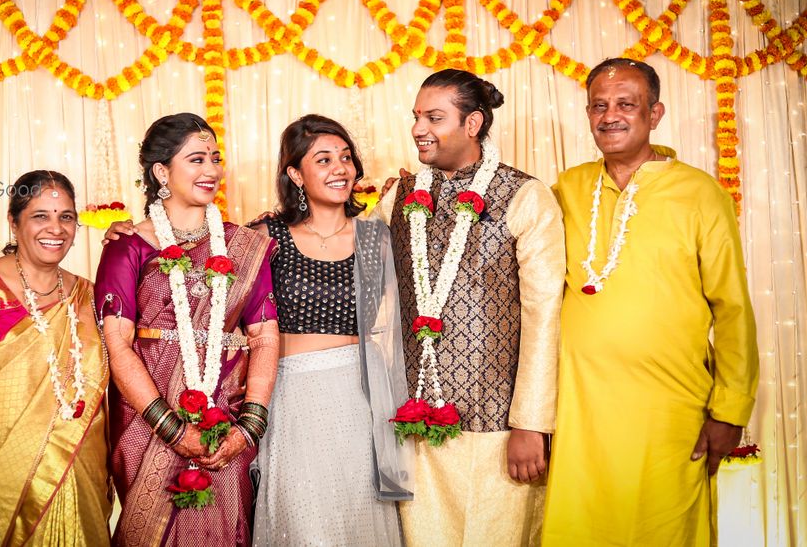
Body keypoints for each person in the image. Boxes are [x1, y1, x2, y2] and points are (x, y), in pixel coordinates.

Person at [541, 58, 759, 545]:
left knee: (665, 529)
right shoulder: (568, 188)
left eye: (626, 104)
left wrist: (729, 411)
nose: (610, 115)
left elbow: (733, 308)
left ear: (655, 114)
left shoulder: (700, 193)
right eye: (598, 105)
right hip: (583, 411)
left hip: (671, 410)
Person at [376, 69, 566, 546]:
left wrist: (531, 424)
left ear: (473, 122)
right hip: (414, 425)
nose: (419, 128)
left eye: (434, 117)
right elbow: (347, 259)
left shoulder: (524, 196)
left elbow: (544, 316)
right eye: (416, 116)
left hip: (497, 429)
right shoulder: (398, 197)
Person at [95, 113, 279, 547]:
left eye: (215, 159)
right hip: (146, 417)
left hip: (226, 413)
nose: (211, 171)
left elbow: (265, 337)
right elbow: (117, 345)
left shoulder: (244, 246)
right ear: (162, 171)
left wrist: (248, 426)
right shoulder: (128, 247)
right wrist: (173, 429)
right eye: (196, 160)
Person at [250, 115, 413, 546]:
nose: (340, 168)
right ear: (295, 174)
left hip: (358, 397)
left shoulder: (376, 235)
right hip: (289, 398)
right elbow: (201, 265)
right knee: (305, 522)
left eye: (346, 158)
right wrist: (131, 234)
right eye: (323, 160)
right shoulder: (266, 237)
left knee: (358, 515)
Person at [0, 170, 111, 547]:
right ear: (14, 223)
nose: (56, 228)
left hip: (82, 478)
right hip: (3, 487)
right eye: (40, 215)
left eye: (66, 216)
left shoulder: (88, 295)